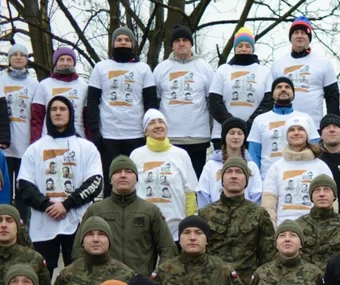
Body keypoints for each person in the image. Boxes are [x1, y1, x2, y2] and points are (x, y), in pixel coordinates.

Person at [17, 96, 102, 273]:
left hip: (77, 222)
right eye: (53, 109)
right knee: (41, 276)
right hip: (43, 225)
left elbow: (95, 182)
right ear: (48, 114)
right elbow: (24, 185)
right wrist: (47, 205)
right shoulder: (35, 149)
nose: (58, 112)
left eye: (62, 109)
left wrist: (66, 204)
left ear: (71, 113)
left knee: (79, 275)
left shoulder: (86, 147)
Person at [78, 156, 178, 275]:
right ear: (110, 179)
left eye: (129, 171)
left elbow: (168, 248)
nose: (123, 175)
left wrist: (158, 276)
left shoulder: (150, 211)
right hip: (103, 283)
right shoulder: (96, 210)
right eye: (117, 172)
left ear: (136, 179)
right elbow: (78, 249)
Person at [87, 28, 158, 178]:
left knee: (136, 179)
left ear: (132, 44)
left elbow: (150, 101)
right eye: (119, 40)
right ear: (113, 43)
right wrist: (94, 131)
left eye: (127, 40)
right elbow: (92, 101)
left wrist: (149, 130)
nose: (123, 42)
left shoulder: (143, 69)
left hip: (136, 135)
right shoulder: (101, 67)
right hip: (108, 135)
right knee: (111, 180)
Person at [197, 156, 276, 283]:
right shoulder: (205, 213)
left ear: (246, 180)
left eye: (239, 172)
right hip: (212, 284)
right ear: (222, 179)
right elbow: (198, 253)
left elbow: (269, 256)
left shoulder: (259, 213)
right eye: (229, 172)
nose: (233, 176)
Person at [50, 217, 135, 285]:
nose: (95, 239)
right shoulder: (68, 274)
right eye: (90, 234)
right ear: (82, 241)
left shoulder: (126, 274)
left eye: (101, 234)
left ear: (109, 241)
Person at [152, 25, 214, 176]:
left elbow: (212, 102)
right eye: (177, 40)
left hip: (198, 137)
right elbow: (154, 102)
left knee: (194, 183)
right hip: (170, 137)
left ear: (191, 44)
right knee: (172, 181)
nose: (181, 44)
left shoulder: (205, 68)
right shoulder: (161, 69)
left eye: (185, 40)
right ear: (172, 45)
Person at [130, 109, 199, 240]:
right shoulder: (136, 155)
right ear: (145, 131)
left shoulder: (181, 154)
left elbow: (190, 192)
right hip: (144, 227)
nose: (157, 125)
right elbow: (131, 190)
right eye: (152, 123)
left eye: (161, 121)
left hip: (175, 229)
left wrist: (190, 221)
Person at [260, 116, 333, 225]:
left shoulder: (321, 167)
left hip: (315, 229)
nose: (296, 133)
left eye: (300, 129)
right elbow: (268, 203)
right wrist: (271, 228)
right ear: (286, 135)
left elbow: (332, 202)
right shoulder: (276, 167)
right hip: (284, 230)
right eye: (291, 130)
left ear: (307, 134)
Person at [269, 16, 339, 123]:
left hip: (314, 125)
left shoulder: (324, 63)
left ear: (309, 37)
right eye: (296, 32)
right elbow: (270, 98)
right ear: (291, 37)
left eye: (303, 33)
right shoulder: (278, 65)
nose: (299, 36)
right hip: (284, 125)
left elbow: (332, 98)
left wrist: (333, 124)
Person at [208, 28, 271, 146]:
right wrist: (232, 124)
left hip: (254, 133)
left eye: (248, 46)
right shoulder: (223, 70)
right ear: (235, 48)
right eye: (240, 45)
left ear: (253, 48)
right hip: (223, 133)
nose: (244, 49)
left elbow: (268, 103)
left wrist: (248, 125)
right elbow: (214, 102)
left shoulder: (264, 72)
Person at [247, 77, 320, 177]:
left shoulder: (306, 118)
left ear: (293, 93)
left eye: (287, 87)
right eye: (279, 87)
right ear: (272, 94)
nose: (283, 89)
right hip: (268, 179)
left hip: (300, 177)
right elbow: (254, 155)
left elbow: (315, 151)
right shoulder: (259, 120)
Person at [1, 43, 37, 212]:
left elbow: (38, 115)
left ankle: (23, 229)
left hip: (26, 146)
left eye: (22, 55)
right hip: (5, 148)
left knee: (24, 191)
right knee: (4, 191)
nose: (18, 57)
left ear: (27, 60)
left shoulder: (34, 84)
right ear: (9, 59)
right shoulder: (1, 79)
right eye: (14, 54)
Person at [197, 118, 263, 207]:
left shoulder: (251, 166)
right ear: (225, 136)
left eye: (240, 133)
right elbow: (203, 195)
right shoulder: (211, 165)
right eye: (231, 133)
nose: (236, 137)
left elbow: (256, 195)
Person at [31, 47, 90, 141]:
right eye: (61, 59)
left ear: (74, 63)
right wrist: (34, 142)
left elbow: (88, 119)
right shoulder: (44, 85)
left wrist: (91, 143)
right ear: (55, 63)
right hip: (49, 139)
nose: (65, 63)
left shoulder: (83, 86)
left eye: (69, 60)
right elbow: (37, 119)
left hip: (77, 139)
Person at [0, 204, 49, 285]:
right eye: (0, 220)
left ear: (17, 226)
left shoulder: (34, 259)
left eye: (9, 220)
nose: (3, 225)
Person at [294, 175, 340, 272]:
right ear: (311, 197)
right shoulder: (298, 225)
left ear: (334, 195)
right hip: (305, 280)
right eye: (317, 190)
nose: (321, 194)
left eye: (327, 189)